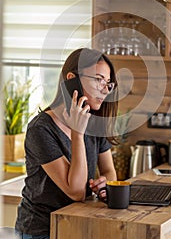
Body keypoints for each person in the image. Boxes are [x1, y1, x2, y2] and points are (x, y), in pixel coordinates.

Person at [15, 48, 118, 239]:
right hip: (41, 230)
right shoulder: (40, 129)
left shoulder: (94, 122)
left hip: (76, 225)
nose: (105, 89)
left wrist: (106, 183)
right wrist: (77, 133)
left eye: (108, 83)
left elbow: (109, 171)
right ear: (72, 78)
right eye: (98, 79)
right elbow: (76, 192)